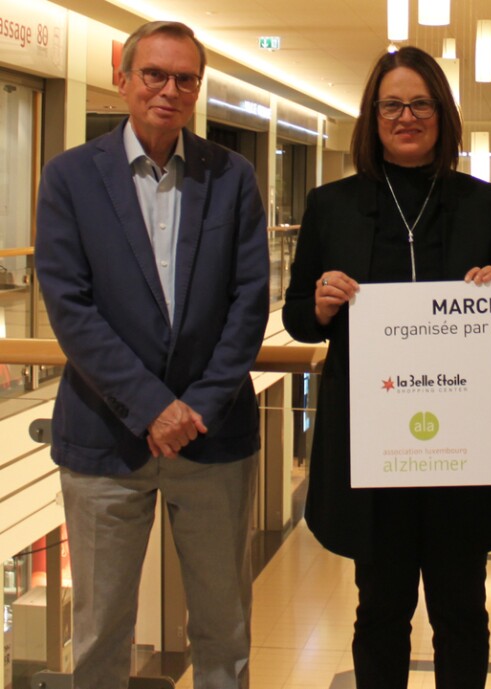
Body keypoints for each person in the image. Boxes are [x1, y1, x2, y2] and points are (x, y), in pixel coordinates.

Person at [282, 46, 491, 689]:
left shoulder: (488, 204)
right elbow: (297, 316)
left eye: (421, 104)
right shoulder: (331, 204)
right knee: (380, 610)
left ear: (442, 115)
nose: (406, 117)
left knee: (462, 610)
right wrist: (319, 303)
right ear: (372, 117)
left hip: (466, 445)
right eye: (391, 105)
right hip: (374, 448)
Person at [34, 20, 269, 689]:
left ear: (198, 88)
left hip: (212, 436)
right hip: (104, 439)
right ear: (123, 79)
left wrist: (195, 407)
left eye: (185, 79)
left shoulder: (232, 176)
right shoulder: (70, 177)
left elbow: (249, 301)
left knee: (224, 630)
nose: (169, 90)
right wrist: (150, 407)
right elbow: (70, 307)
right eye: (155, 74)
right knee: (101, 632)